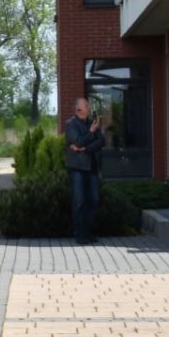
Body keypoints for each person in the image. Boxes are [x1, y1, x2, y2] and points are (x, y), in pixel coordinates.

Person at [62, 96, 102, 245]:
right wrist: (90, 133)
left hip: (91, 167)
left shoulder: (92, 122)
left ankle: (89, 233)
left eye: (88, 105)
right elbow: (76, 140)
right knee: (79, 201)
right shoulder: (71, 124)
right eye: (86, 105)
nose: (88, 107)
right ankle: (80, 234)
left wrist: (85, 148)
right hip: (77, 168)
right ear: (78, 108)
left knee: (94, 199)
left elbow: (101, 141)